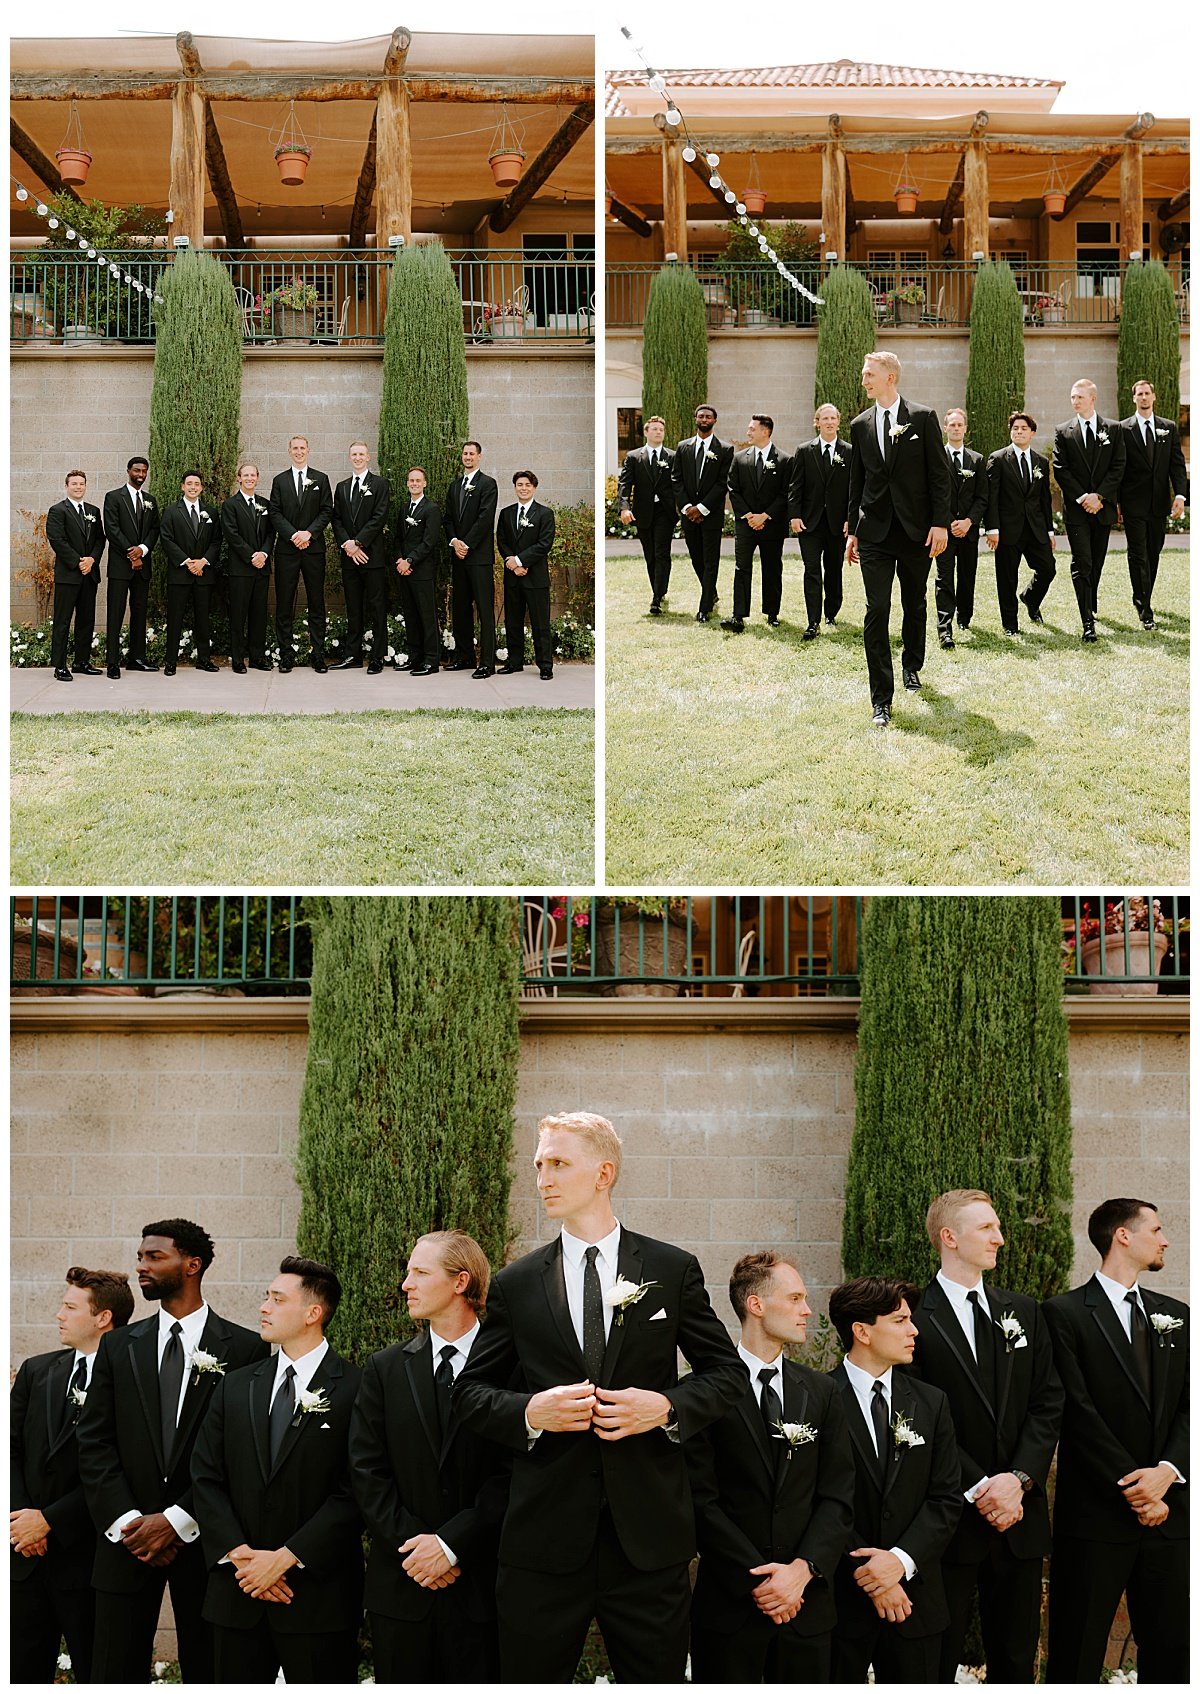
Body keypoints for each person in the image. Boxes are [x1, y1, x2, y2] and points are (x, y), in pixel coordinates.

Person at [454, 1111, 748, 1682]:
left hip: (648, 1543)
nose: (542, 1176)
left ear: (603, 1173)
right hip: (542, 1543)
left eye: (559, 1162)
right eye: (539, 1164)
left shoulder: (670, 1268)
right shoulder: (516, 1284)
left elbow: (727, 1375)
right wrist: (529, 1413)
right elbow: (469, 1393)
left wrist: (664, 1408)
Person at [76, 1218, 269, 1683]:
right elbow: (94, 1442)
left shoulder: (245, 1348)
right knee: (112, 1674)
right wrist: (130, 1523)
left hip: (205, 1543)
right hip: (127, 1542)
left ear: (192, 1265)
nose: (141, 1266)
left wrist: (178, 1521)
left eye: (154, 1257)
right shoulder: (118, 1345)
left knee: (209, 1671)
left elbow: (240, 1455)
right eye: (140, 1256)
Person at [908, 1190, 1062, 1683]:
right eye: (987, 1228)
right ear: (949, 1238)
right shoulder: (911, 1314)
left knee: (1016, 1659)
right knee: (935, 1654)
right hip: (948, 1516)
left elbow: (1047, 1401)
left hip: (1019, 1512)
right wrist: (981, 1486)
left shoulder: (1023, 1310)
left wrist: (1017, 1480)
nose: (1000, 1237)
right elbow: (913, 1413)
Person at [190, 1256, 363, 1684]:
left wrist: (286, 1559)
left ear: (313, 1313)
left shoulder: (358, 1388)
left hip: (317, 1596)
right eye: (265, 1297)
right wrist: (242, 1557)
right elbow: (206, 1476)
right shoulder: (236, 1384)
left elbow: (356, 1489)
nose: (263, 1307)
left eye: (277, 1298)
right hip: (238, 1589)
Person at [686, 1251, 854, 1683]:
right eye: (795, 1298)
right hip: (730, 1606)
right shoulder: (699, 1392)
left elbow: (837, 1496)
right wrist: (761, 1582)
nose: (807, 1310)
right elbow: (699, 1501)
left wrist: (801, 1572)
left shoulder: (821, 1393)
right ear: (756, 1305)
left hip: (807, 1607)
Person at [349, 1231, 510, 1682]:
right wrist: (421, 1551)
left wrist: (452, 1544)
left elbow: (516, 1472)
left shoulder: (511, 1366)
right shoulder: (385, 1368)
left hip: (483, 1588)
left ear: (461, 1282)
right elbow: (367, 1471)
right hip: (402, 1586)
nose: (406, 1284)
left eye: (419, 1272)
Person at [1043, 1199, 1188, 1684]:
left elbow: (1191, 1406)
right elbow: (1075, 1412)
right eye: (1157, 1229)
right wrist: (1136, 1488)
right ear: (1122, 1236)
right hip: (1096, 1516)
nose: (1165, 1239)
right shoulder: (1062, 1314)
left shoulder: (1177, 1315)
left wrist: (1166, 1473)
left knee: (1173, 1654)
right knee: (1077, 1654)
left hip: (1170, 1516)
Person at [826, 1276, 961, 1684]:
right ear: (862, 1331)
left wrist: (899, 1563)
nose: (914, 1330)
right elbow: (818, 1501)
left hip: (916, 1599)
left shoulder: (931, 1402)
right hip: (840, 1604)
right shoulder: (817, 1397)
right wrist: (873, 1576)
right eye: (900, 1320)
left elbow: (945, 1498)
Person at [10, 1266, 135, 1684]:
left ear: (103, 1318)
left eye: (69, 1306)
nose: (59, 1315)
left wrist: (50, 1521)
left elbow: (124, 1471)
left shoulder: (131, 1382)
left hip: (88, 1559)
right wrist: (21, 1521)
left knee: (98, 1673)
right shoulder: (36, 1370)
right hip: (24, 1558)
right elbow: (9, 1449)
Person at [846, 350, 951, 727]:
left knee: (914, 602)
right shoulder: (860, 424)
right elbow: (856, 482)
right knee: (876, 610)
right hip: (873, 531)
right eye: (864, 374)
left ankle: (912, 666)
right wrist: (852, 531)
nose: (864, 380)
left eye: (869, 373)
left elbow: (940, 476)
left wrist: (940, 523)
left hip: (915, 532)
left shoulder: (922, 418)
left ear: (890, 377)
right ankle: (881, 699)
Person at [1052, 378, 1126, 642]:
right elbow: (1060, 469)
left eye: (1079, 397)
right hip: (1077, 509)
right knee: (1081, 561)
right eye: (1072, 397)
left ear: (1092, 399)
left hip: (1103, 508)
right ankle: (1087, 622)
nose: (1075, 401)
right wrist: (1084, 497)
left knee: (1096, 561)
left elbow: (1118, 466)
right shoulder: (1063, 431)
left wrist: (1100, 496)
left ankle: (1090, 603)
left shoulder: (1113, 429)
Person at [1117, 379, 1188, 630]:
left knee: (1153, 553)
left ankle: (1142, 596)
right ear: (1134, 398)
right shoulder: (1123, 429)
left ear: (1154, 397)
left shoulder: (1167, 428)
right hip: (1133, 504)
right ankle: (1144, 608)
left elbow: (1177, 465)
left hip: (1159, 504)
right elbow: (1119, 468)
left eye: (1147, 393)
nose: (1144, 397)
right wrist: (1116, 502)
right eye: (1140, 394)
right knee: (1138, 555)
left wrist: (1180, 495)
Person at [984, 414, 1056, 634]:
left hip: (1035, 529)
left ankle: (1030, 598)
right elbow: (991, 498)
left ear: (1032, 433)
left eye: (1024, 428)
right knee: (1007, 578)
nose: (1019, 432)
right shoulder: (998, 459)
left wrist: (1050, 531)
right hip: (1007, 530)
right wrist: (992, 529)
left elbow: (1045, 500)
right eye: (1015, 428)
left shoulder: (1041, 462)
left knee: (1048, 569)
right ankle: (1010, 625)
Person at [269, 435, 334, 673]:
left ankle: (317, 654)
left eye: (302, 448)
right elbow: (274, 512)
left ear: (309, 450)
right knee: (285, 602)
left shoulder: (321, 478)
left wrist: (309, 533)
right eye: (294, 448)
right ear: (289, 451)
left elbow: (327, 510)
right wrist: (293, 535)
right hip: (287, 550)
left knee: (316, 601)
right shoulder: (280, 480)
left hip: (313, 549)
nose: (298, 451)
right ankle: (286, 654)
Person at [722, 415, 790, 632]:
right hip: (746, 525)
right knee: (742, 568)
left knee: (772, 568)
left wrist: (765, 515)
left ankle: (772, 613)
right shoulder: (740, 458)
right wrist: (750, 515)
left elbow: (785, 493)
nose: (748, 432)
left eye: (752, 429)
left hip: (772, 525)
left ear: (765, 431)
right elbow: (733, 488)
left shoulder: (784, 460)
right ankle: (738, 616)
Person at [787, 403, 849, 640]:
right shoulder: (804, 450)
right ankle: (813, 621)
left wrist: (850, 520)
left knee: (834, 570)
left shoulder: (849, 452)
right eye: (825, 418)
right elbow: (796, 486)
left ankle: (831, 611)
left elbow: (854, 490)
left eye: (833, 418)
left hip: (837, 524)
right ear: (817, 422)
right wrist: (794, 515)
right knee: (812, 570)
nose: (830, 422)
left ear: (838, 422)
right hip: (809, 524)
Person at [331, 442, 391, 673]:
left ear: (368, 457)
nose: (357, 458)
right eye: (354, 454)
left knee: (376, 607)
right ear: (349, 457)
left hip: (371, 556)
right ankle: (352, 655)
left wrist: (358, 543)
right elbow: (336, 519)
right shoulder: (342, 486)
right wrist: (347, 545)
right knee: (353, 608)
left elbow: (379, 516)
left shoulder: (380, 484)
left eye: (361, 454)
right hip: (349, 557)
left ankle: (377, 657)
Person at [671, 403, 734, 622]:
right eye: (701, 416)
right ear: (695, 419)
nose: (704, 419)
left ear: (714, 421)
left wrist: (703, 508)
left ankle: (704, 606)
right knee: (696, 558)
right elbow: (676, 479)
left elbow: (722, 483)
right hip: (689, 514)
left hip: (711, 514)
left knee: (711, 560)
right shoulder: (683, 447)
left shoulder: (725, 449)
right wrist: (688, 507)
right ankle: (712, 592)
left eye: (708, 416)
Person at [444, 441, 499, 677]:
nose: (467, 457)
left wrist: (467, 543)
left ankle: (487, 662)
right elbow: (448, 519)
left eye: (471, 454)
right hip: (459, 556)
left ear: (479, 457)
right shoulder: (455, 486)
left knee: (485, 611)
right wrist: (455, 542)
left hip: (479, 557)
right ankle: (464, 657)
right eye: (465, 453)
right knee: (461, 609)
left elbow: (485, 518)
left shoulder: (488, 484)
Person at [159, 472, 222, 676]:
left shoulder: (210, 512)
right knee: (175, 618)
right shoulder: (171, 511)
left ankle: (204, 659)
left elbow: (216, 541)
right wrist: (187, 562)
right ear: (182, 487)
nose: (193, 487)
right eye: (189, 484)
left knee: (203, 618)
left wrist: (203, 561)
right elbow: (167, 539)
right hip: (180, 574)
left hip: (203, 573)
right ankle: (171, 662)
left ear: (202, 488)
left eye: (197, 484)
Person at [102, 457, 160, 678]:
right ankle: (112, 663)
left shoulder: (150, 500)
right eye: (137, 470)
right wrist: (131, 552)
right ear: (128, 471)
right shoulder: (114, 497)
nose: (141, 474)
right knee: (115, 613)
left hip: (142, 565)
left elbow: (155, 529)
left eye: (144, 471)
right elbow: (112, 528)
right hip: (120, 566)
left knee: (139, 612)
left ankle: (137, 658)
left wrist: (143, 550)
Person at [45, 470, 105, 682]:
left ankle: (81, 662)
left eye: (82, 484)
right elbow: (57, 540)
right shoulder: (57, 510)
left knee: (86, 620)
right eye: (74, 484)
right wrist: (78, 561)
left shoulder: (94, 511)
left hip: (89, 574)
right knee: (63, 620)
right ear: (66, 486)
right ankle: (60, 665)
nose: (78, 487)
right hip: (68, 575)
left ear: (85, 486)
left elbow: (100, 539)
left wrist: (92, 560)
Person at [497, 470, 557, 680]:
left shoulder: (544, 514)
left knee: (540, 623)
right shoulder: (506, 513)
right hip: (513, 576)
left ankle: (545, 665)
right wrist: (512, 564)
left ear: (534, 487)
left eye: (527, 485)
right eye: (519, 484)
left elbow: (544, 544)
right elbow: (501, 541)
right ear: (515, 488)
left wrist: (520, 561)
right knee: (513, 621)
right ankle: (514, 662)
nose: (523, 488)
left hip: (535, 577)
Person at [935, 410, 987, 647]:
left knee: (967, 575)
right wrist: (948, 522)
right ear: (945, 429)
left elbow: (982, 497)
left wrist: (968, 522)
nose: (956, 428)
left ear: (966, 429)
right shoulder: (936, 458)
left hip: (968, 531)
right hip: (944, 531)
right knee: (944, 578)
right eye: (952, 425)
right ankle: (945, 628)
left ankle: (964, 618)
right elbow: (932, 495)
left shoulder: (977, 460)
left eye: (960, 425)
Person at [617, 415, 676, 613]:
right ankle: (657, 590)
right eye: (654, 429)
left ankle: (657, 597)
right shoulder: (634, 457)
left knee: (661, 553)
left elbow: (679, 485)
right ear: (646, 432)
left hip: (665, 512)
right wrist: (624, 507)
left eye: (661, 429)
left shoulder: (672, 457)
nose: (658, 432)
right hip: (643, 513)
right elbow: (625, 483)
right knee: (650, 555)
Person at [219, 464, 274, 674]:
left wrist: (264, 554)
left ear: (258, 478)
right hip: (241, 569)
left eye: (253, 475)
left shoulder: (265, 504)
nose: (249, 478)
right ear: (239, 478)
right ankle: (238, 659)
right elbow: (231, 534)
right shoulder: (230, 505)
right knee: (238, 615)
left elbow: (271, 533)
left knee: (259, 615)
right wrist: (252, 556)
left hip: (262, 568)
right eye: (246, 475)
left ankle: (257, 658)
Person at [392, 467, 441, 676]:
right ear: (407, 483)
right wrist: (399, 560)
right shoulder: (404, 509)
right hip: (404, 570)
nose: (414, 483)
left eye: (418, 480)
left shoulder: (431, 509)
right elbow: (397, 539)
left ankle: (431, 660)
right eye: (411, 480)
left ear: (425, 483)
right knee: (411, 615)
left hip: (421, 571)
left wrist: (410, 560)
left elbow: (429, 542)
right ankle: (415, 657)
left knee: (426, 616)